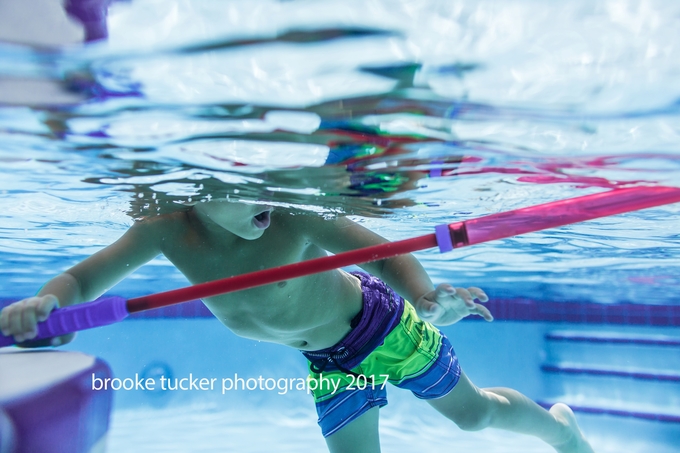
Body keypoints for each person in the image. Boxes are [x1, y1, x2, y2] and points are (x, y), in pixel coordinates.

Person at [0, 199, 595, 453]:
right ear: (196, 192)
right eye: (248, 186)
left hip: (380, 329)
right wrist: (48, 307)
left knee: (473, 416)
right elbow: (79, 283)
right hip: (327, 362)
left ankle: (560, 431)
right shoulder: (163, 228)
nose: (268, 195)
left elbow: (385, 255)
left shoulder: (290, 215)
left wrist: (428, 298)